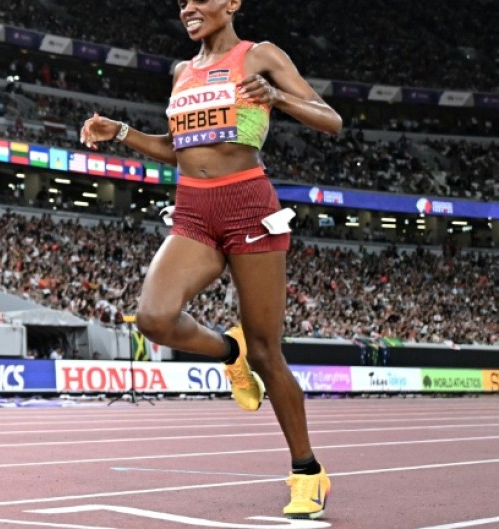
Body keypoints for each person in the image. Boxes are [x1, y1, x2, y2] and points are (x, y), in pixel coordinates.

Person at [80, 0, 341, 520]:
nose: (189, 8)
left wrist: (278, 97)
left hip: (249, 206)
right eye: (181, 2)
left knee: (269, 351)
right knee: (154, 318)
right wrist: (124, 134)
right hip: (194, 211)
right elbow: (182, 149)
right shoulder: (182, 71)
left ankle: (308, 472)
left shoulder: (259, 54)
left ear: (232, 3)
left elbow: (330, 121)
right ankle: (228, 353)